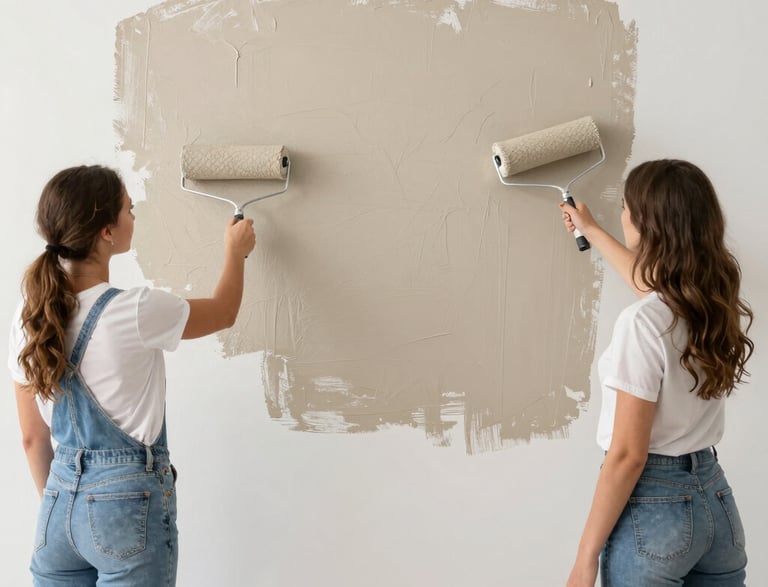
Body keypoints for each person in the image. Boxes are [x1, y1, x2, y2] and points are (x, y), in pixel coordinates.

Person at [9, 165, 255, 586]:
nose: (133, 216)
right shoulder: (136, 310)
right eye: (128, 208)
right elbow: (224, 311)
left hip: (56, 509)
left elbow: (32, 438)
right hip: (124, 508)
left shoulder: (29, 315)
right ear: (107, 231)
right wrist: (235, 250)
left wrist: (68, 508)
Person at [560, 159, 753, 586]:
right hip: (716, 505)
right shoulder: (712, 300)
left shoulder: (642, 323)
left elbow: (629, 456)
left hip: (657, 510)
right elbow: (653, 285)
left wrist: (584, 558)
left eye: (625, 209)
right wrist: (590, 229)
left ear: (646, 224)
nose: (622, 216)